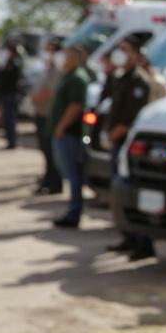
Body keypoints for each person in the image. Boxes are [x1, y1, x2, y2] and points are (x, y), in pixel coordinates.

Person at [103, 34, 157, 260]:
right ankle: (128, 237)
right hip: (116, 143)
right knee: (120, 193)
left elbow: (134, 118)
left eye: (125, 49)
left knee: (134, 192)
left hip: (129, 146)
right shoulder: (120, 77)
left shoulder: (139, 81)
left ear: (136, 54)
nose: (120, 53)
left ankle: (143, 243)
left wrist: (115, 134)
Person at [49, 44, 92, 229]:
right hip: (63, 133)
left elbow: (75, 106)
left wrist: (61, 127)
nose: (63, 59)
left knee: (73, 175)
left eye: (67, 56)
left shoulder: (77, 78)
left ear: (76, 58)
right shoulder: (68, 75)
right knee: (69, 174)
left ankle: (74, 213)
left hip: (69, 135)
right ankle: (72, 210)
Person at [31, 39, 64, 195]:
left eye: (50, 50)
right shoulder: (47, 69)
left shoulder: (58, 71)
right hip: (41, 114)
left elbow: (49, 92)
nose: (47, 53)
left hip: (49, 116)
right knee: (45, 150)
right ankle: (48, 179)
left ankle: (54, 182)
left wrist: (36, 98)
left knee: (51, 151)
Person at [0, 39, 25, 149]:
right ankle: (10, 140)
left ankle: (12, 141)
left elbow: (11, 78)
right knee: (7, 118)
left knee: (10, 119)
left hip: (11, 94)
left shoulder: (15, 63)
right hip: (6, 93)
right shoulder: (8, 62)